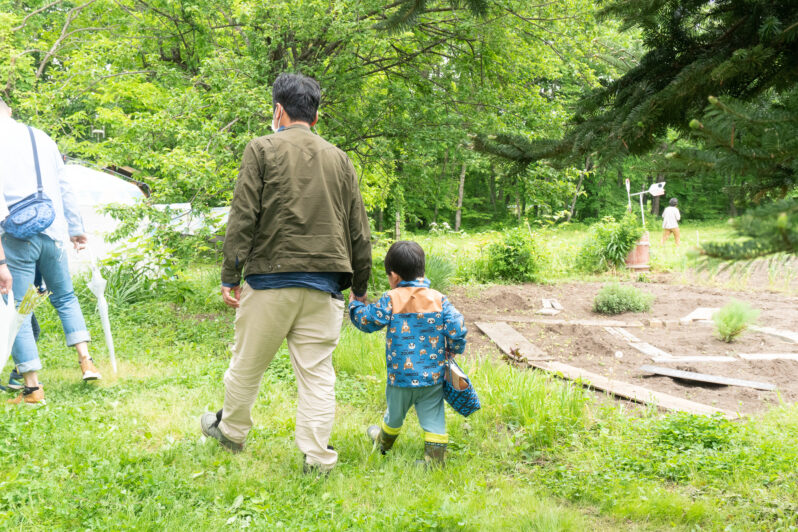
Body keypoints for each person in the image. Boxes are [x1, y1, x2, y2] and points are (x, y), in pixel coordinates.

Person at [200, 73, 372, 474]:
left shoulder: (261, 148)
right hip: (326, 285)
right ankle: (318, 457)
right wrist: (360, 287)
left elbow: (243, 216)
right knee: (317, 375)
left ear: (279, 109)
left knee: (246, 365)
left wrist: (230, 274)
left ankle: (232, 432)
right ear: (316, 114)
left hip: (270, 283)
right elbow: (358, 229)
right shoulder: (340, 158)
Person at [0, 97, 101, 406]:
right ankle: (86, 361)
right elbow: (64, 184)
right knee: (65, 297)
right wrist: (75, 227)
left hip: (17, 237)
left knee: (17, 309)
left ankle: (32, 387)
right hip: (53, 231)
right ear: (9, 111)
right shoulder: (40, 137)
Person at [348, 241, 467, 467]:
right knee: (433, 419)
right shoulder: (439, 299)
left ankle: (383, 444)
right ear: (422, 270)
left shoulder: (392, 298)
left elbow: (368, 321)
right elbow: (458, 327)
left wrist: (355, 306)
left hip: (400, 377)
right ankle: (434, 461)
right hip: (432, 377)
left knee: (394, 415)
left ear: (393, 276)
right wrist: (454, 348)